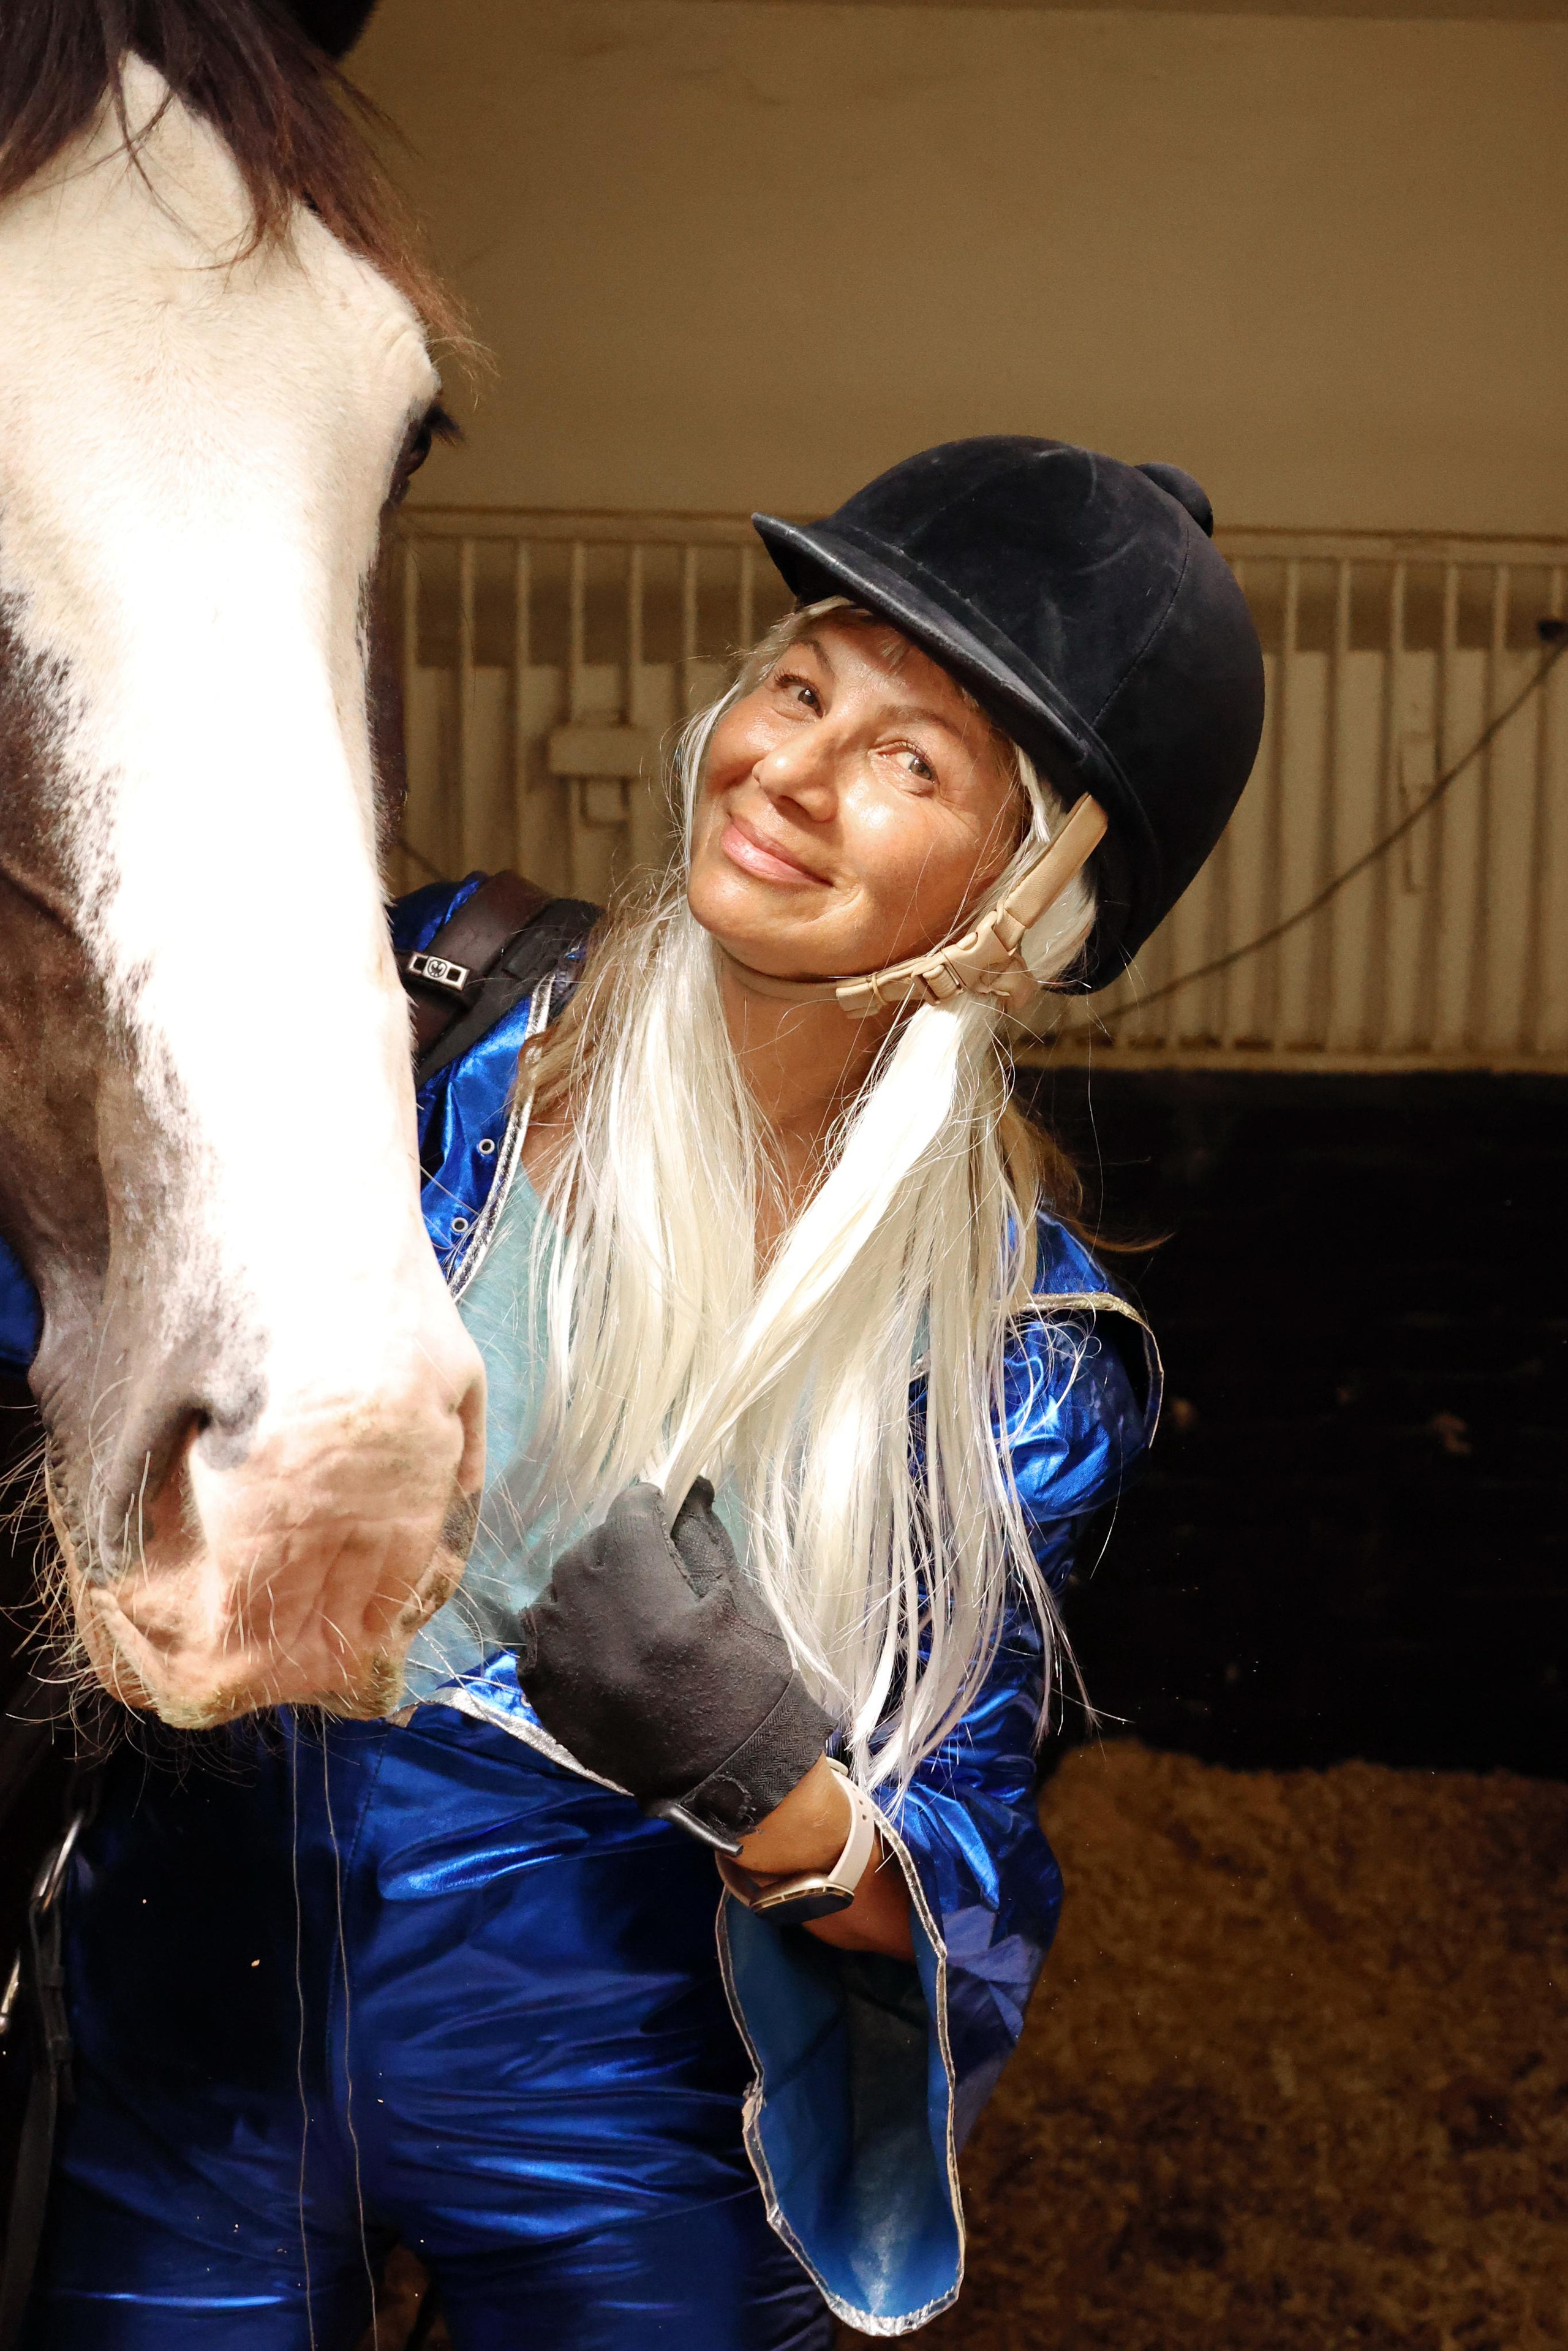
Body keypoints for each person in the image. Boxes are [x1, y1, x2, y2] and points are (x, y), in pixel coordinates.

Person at [13, 437, 1263, 2347]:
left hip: (621, 2080)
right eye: (800, 686)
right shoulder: (419, 1027)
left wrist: (769, 1784)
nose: (795, 771)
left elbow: (964, 1874)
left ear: (1036, 903)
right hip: (211, 1994)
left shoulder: (1021, 1354)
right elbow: (73, 1298)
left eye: (914, 763)